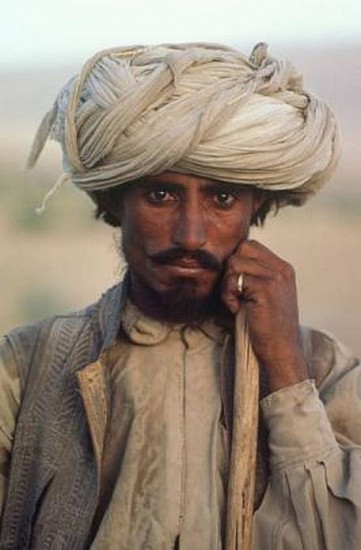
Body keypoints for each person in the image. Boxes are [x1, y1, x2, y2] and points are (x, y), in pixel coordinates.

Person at [0, 41, 360, 550]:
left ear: (256, 208)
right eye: (161, 195)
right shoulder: (26, 368)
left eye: (222, 198)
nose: (191, 233)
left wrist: (284, 369)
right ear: (114, 201)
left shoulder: (326, 372)